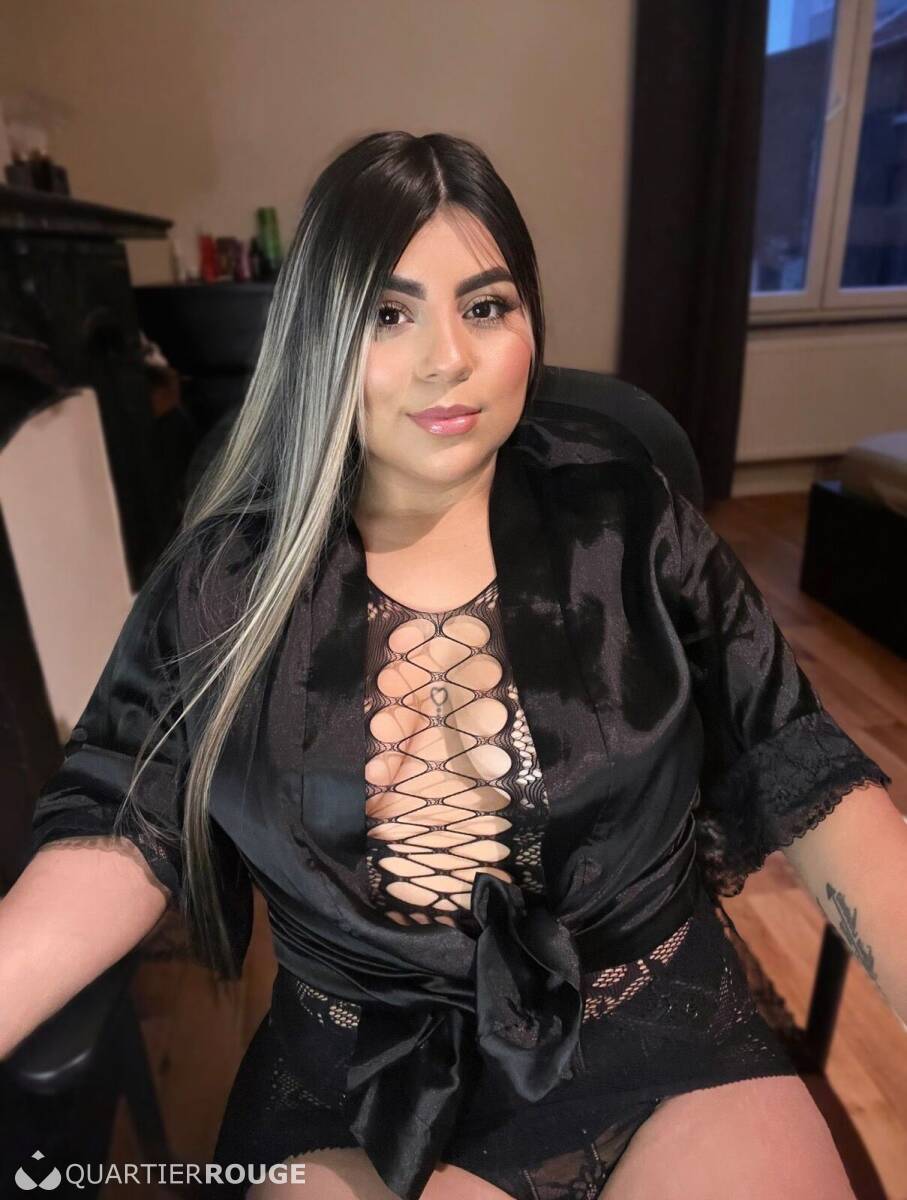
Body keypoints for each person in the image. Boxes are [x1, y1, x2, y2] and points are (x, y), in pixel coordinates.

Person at [2, 131, 903, 1200]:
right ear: (319, 336)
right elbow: (122, 816)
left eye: (485, 306)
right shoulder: (225, 582)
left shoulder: (630, 523)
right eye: (389, 315)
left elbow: (802, 768)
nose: (448, 358)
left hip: (655, 1034)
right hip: (360, 1076)